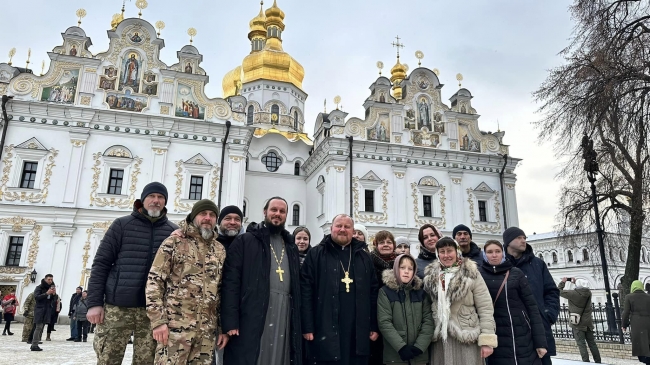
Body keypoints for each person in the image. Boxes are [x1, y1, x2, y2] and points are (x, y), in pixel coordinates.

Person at [86, 182, 177, 365]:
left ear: (165, 202)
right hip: (117, 307)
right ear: (143, 200)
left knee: (147, 361)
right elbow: (101, 264)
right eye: (151, 196)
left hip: (151, 311)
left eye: (160, 197)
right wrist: (94, 303)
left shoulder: (172, 232)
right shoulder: (122, 225)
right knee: (108, 358)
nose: (155, 201)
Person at [221, 196, 303, 365]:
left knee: (282, 355)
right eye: (274, 210)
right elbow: (231, 282)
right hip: (254, 311)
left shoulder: (290, 246)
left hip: (285, 310)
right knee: (253, 356)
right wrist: (230, 321)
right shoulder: (246, 241)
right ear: (265, 212)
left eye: (282, 211)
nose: (277, 214)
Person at [147, 199, 228, 364]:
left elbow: (220, 291)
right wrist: (158, 321)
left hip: (205, 333)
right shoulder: (174, 242)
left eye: (212, 215)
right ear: (193, 216)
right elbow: (154, 282)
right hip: (174, 329)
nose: (207, 218)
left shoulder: (219, 250)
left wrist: (221, 327)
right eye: (203, 213)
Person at [301, 213, 379, 365]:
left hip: (357, 329)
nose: (342, 229)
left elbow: (373, 293)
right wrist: (307, 325)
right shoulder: (316, 254)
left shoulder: (363, 257)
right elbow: (306, 291)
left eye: (347, 227)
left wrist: (373, 325)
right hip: (324, 326)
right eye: (339, 226)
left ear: (352, 230)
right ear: (331, 229)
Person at [423, 237, 497, 365]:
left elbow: (485, 307)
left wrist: (487, 340)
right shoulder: (431, 276)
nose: (446, 255)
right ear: (437, 253)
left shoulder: (470, 273)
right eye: (442, 251)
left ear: (456, 251)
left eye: (449, 250)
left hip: (466, 336)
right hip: (441, 338)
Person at [479, 240, 548, 365]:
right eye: (489, 252)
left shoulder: (515, 273)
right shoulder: (479, 275)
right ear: (484, 255)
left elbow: (532, 307)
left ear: (503, 254)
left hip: (521, 334)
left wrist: (540, 342)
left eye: (497, 251)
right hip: (495, 335)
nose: (494, 255)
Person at [503, 226, 559, 365]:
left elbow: (551, 291)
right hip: (512, 328)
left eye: (524, 238)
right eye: (519, 238)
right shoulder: (502, 265)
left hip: (538, 326)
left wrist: (548, 314)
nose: (523, 241)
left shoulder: (537, 264)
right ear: (508, 241)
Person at [377, 254, 434, 365]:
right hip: (395, 356)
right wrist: (401, 347)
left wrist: (420, 346)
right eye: (402, 268)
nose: (406, 271)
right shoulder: (385, 292)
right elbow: (384, 322)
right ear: (395, 269)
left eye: (410, 269)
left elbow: (428, 321)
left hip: (419, 356)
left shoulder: (421, 293)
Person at [369, 230, 397, 365]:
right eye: (381, 242)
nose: (385, 245)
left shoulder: (400, 263)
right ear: (375, 245)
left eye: (389, 242)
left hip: (396, 317)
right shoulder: (369, 262)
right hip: (375, 314)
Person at [558, 277, 601, 363]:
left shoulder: (573, 294)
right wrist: (576, 282)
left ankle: (586, 362)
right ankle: (598, 361)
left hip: (577, 323)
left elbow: (558, 291)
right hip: (588, 323)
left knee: (581, 344)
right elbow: (582, 288)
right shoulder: (589, 293)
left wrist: (563, 282)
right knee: (592, 343)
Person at [622, 280, 650, 365]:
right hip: (648, 324)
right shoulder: (648, 297)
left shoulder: (629, 297)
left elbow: (626, 312)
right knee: (648, 343)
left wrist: (624, 325)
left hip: (637, 325)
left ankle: (645, 360)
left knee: (640, 344)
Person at [30, 274, 57, 351]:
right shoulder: (39, 287)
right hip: (39, 310)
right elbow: (37, 297)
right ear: (45, 279)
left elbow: (54, 300)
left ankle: (36, 343)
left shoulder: (51, 288)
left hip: (47, 310)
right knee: (38, 327)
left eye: (51, 279)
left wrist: (54, 295)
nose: (50, 281)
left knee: (41, 327)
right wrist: (46, 293)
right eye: (49, 279)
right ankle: (34, 344)